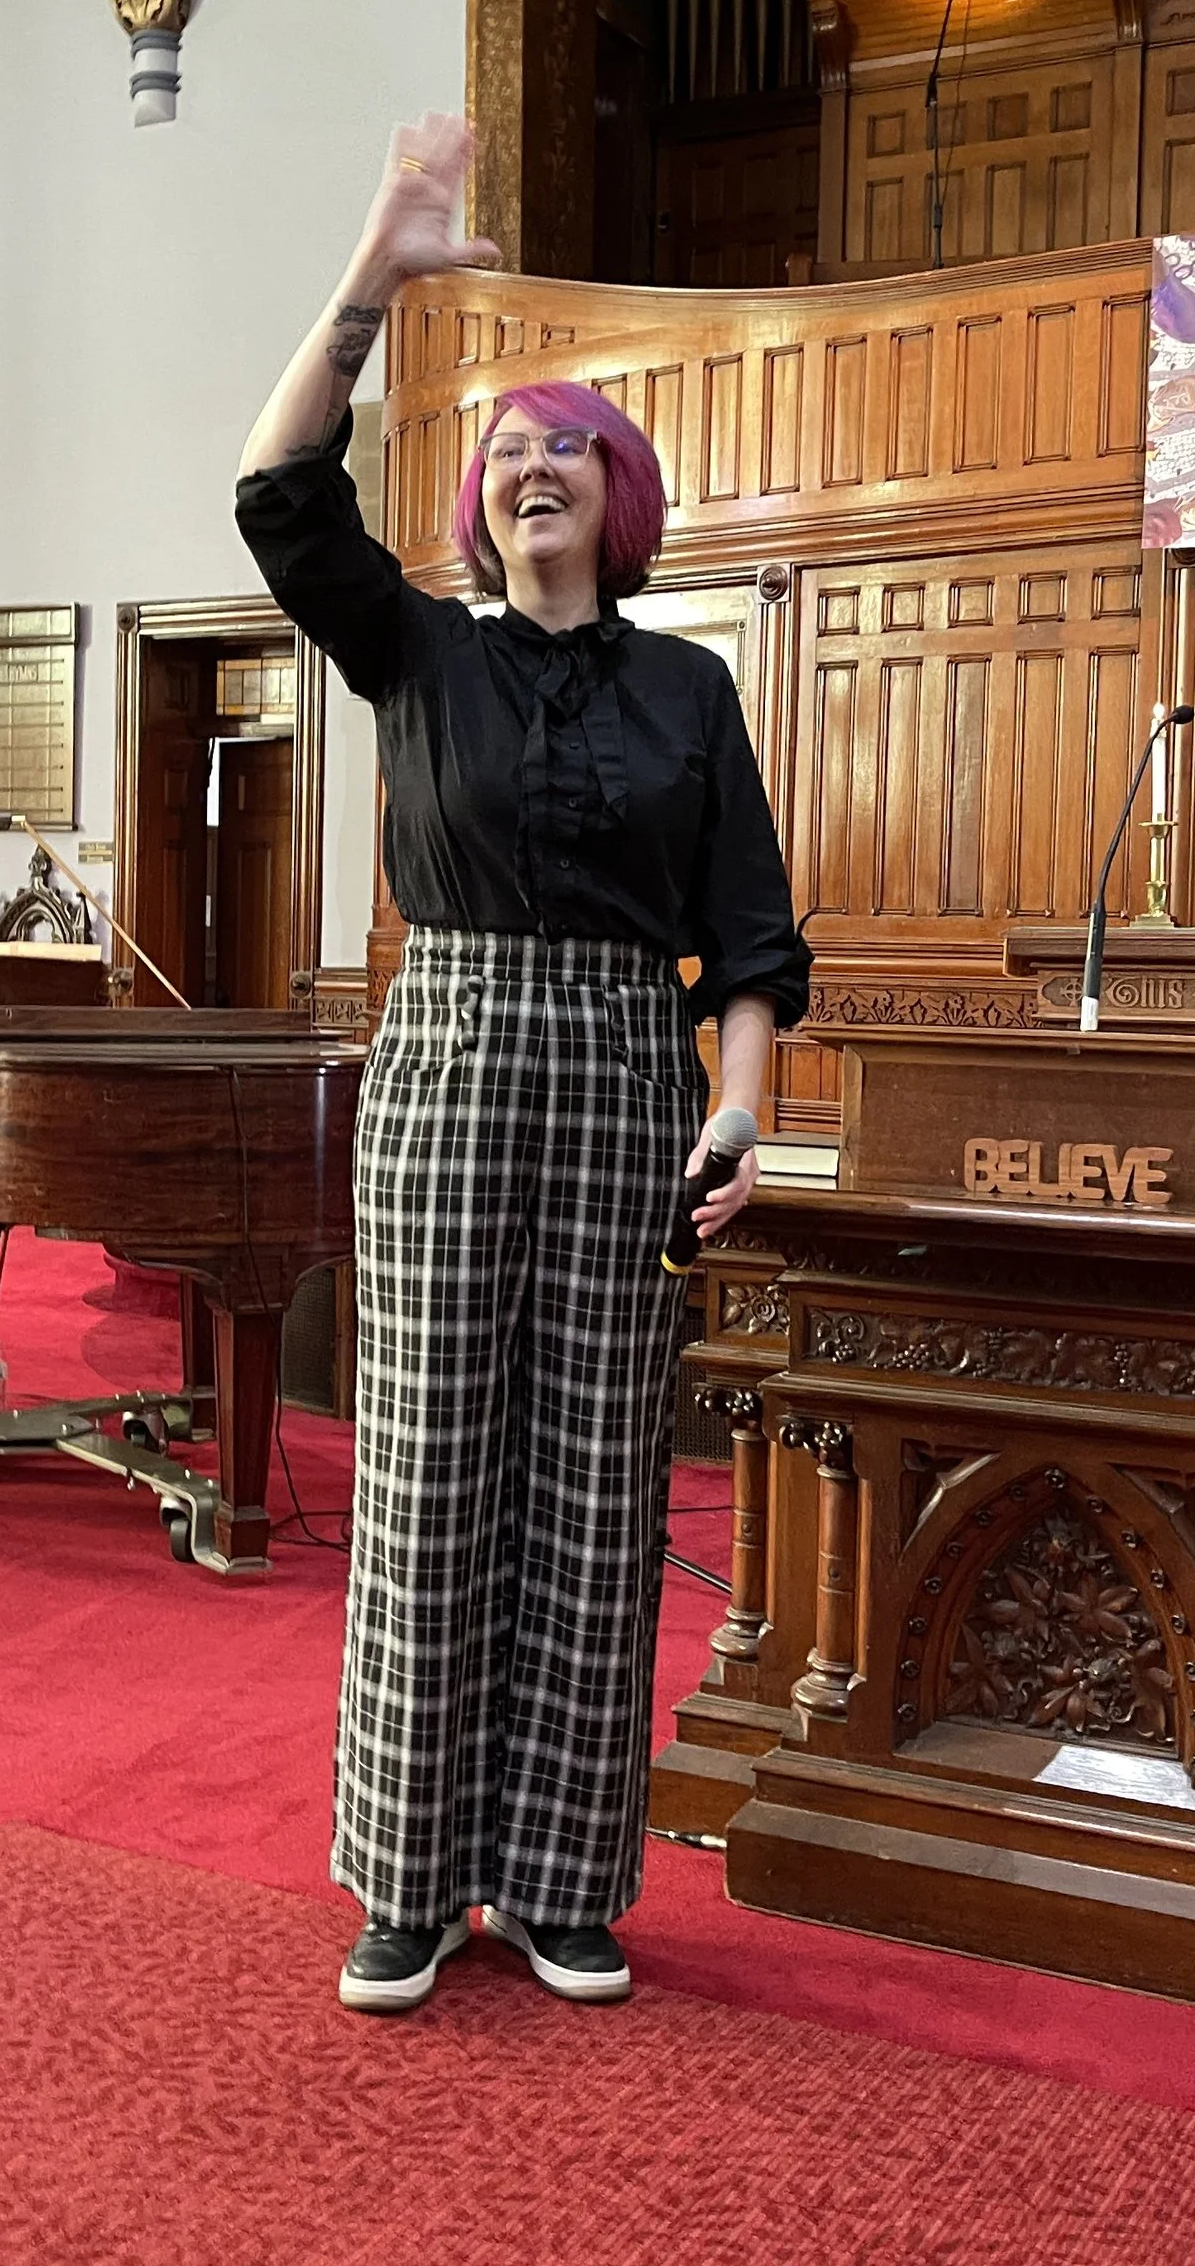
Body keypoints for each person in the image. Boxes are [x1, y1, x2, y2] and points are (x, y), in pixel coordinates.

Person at [235, 112, 809, 2015]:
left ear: (616, 493)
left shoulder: (690, 690)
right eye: (504, 451)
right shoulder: (419, 652)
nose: (532, 463)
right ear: (474, 509)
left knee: (594, 1479)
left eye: (566, 444)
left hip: (633, 1077)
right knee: (420, 1472)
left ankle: (566, 1879)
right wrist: (376, 269)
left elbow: (749, 937)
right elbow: (274, 493)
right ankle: (407, 1878)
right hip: (452, 1052)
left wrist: (741, 1107)